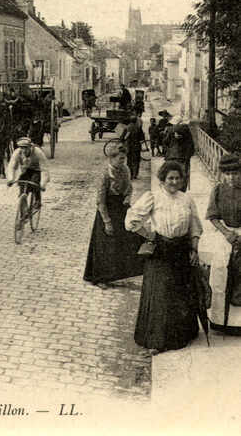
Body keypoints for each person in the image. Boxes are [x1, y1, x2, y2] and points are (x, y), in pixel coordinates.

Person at [125, 160, 203, 354]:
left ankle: (181, 336)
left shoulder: (187, 199)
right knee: (160, 294)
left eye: (177, 178)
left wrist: (194, 249)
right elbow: (131, 221)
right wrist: (150, 235)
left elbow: (195, 226)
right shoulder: (153, 197)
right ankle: (156, 340)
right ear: (162, 180)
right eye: (170, 178)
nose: (174, 182)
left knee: (180, 293)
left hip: (181, 250)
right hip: (161, 250)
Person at [83, 143, 144, 289]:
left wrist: (128, 197)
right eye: (120, 159)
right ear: (111, 159)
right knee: (106, 245)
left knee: (125, 241)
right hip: (107, 210)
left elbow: (129, 188)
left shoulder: (125, 170)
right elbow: (100, 200)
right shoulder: (105, 174)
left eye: (124, 159)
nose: (122, 161)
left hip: (121, 209)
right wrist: (107, 221)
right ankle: (100, 278)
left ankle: (118, 274)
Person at [203, 153, 241, 332]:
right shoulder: (219, 190)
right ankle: (221, 321)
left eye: (235, 173)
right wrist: (226, 233)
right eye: (228, 174)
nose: (231, 177)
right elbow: (212, 216)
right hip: (225, 232)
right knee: (220, 267)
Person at [6, 136, 50, 207]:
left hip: (37, 170)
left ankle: (37, 200)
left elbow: (44, 169)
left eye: (26, 148)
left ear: (30, 146)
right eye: (22, 148)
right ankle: (23, 203)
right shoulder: (17, 152)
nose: (24, 150)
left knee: (35, 182)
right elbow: (12, 166)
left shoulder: (38, 152)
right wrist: (11, 179)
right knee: (22, 181)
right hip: (25, 170)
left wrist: (43, 184)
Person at [164, 123, 195, 189]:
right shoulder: (187, 132)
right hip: (183, 158)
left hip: (171, 156)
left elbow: (165, 142)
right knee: (182, 174)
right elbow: (192, 147)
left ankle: (171, 189)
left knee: (170, 173)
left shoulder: (170, 130)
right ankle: (181, 190)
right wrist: (188, 155)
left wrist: (168, 150)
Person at [122, 115, 145, 180]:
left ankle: (130, 175)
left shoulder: (127, 127)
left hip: (129, 147)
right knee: (136, 161)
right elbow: (142, 139)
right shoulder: (138, 127)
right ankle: (135, 175)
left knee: (129, 161)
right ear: (135, 121)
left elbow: (123, 137)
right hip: (137, 147)